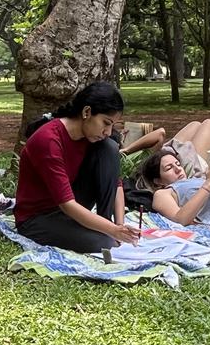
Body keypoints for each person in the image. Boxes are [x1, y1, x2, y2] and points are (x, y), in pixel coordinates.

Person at [13, 81, 139, 253]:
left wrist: (119, 226)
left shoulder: (91, 138)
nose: (108, 131)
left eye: (112, 126)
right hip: (38, 217)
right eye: (105, 123)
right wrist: (112, 231)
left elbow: (114, 183)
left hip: (70, 206)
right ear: (87, 112)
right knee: (103, 243)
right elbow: (67, 204)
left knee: (109, 148)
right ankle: (104, 231)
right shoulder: (49, 140)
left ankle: (104, 223)